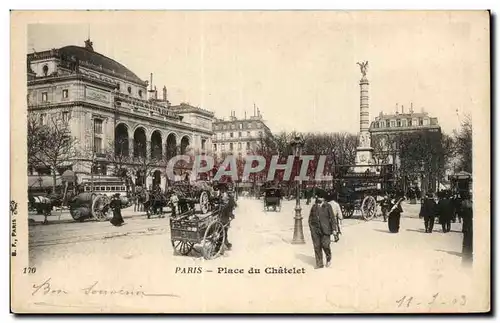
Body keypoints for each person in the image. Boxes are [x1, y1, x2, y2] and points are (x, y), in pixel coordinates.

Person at [308, 192, 337, 268]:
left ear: (324, 198)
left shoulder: (328, 206)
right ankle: (319, 264)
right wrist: (312, 229)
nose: (319, 198)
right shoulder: (314, 207)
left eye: (321, 197)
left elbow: (332, 218)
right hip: (315, 230)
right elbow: (310, 219)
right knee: (317, 246)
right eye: (318, 197)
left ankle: (328, 257)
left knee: (325, 245)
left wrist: (334, 229)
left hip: (326, 229)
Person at [460, 191, 473, 265]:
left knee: (466, 243)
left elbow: (461, 214)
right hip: (470, 227)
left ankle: (466, 259)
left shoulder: (464, 203)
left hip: (466, 226)